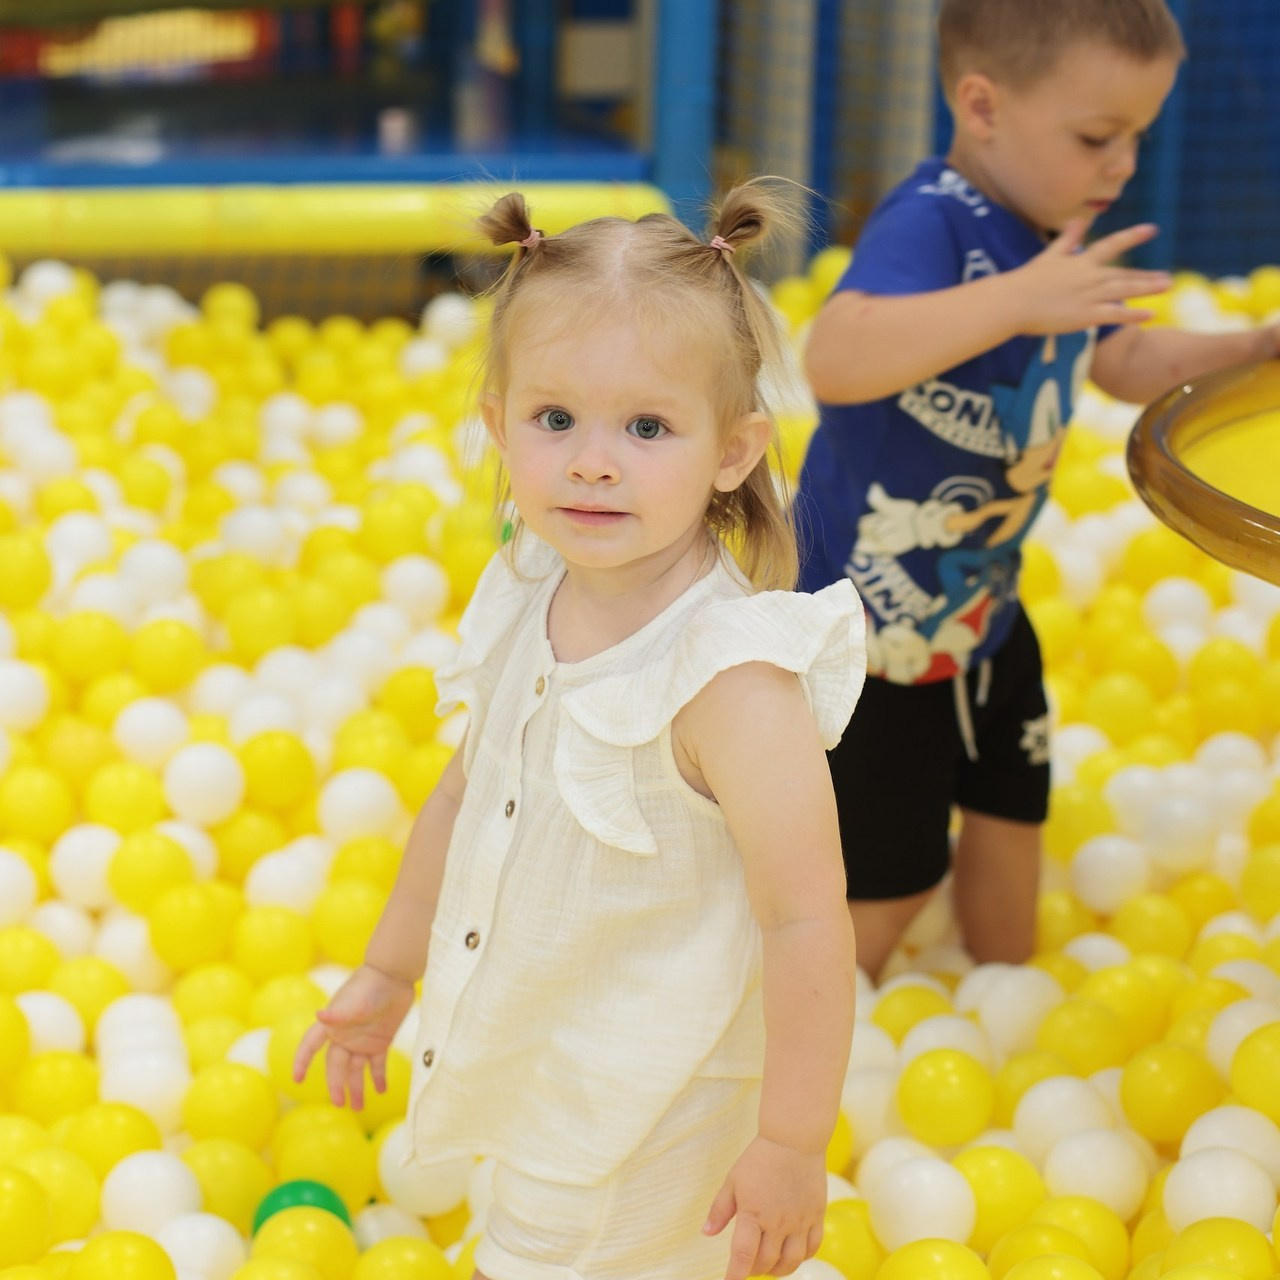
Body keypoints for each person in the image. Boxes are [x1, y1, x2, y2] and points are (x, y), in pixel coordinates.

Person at [295, 181, 866, 1280]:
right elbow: (467, 795)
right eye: (554, 419)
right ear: (497, 423)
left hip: (650, 1099)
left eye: (646, 426)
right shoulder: (522, 587)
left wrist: (791, 1140)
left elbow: (804, 918)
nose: (591, 460)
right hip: (537, 1051)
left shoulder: (727, 678)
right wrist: (386, 969)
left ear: (734, 450)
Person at [798, 0, 1280, 981]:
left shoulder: (1047, 235)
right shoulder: (934, 221)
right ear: (981, 105)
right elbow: (836, 355)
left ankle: (995, 977)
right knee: (886, 876)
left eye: (1135, 136)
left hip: (979, 603)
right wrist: (1021, 299)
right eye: (1096, 136)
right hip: (872, 629)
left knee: (1011, 807)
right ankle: (817, 1028)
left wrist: (1250, 351)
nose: (1121, 164)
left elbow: (1122, 355)